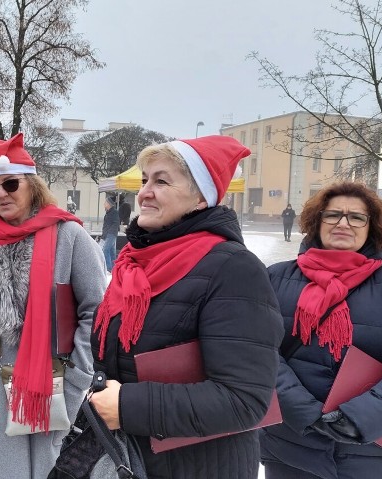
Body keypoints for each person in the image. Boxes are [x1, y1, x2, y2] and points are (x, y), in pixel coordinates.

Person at [89, 136, 283, 479]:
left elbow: (245, 400)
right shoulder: (135, 264)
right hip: (131, 460)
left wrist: (126, 405)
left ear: (199, 197)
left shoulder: (233, 268)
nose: (145, 191)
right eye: (145, 179)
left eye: (161, 181)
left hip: (199, 467)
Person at [261, 182, 382, 479]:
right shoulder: (276, 277)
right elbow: (258, 351)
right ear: (316, 222)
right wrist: (305, 413)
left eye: (357, 217)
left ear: (371, 227)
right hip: (293, 448)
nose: (343, 223)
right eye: (332, 215)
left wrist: (361, 418)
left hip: (375, 454)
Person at [0, 132, 106, 478]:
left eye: (10, 184)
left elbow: (96, 311)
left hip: (50, 391)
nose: (1, 194)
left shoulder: (70, 237)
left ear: (32, 184)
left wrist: (76, 379)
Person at [101, 194, 120, 272]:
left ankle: (109, 268)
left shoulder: (114, 212)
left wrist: (109, 232)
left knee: (105, 250)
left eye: (105, 202)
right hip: (109, 234)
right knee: (112, 252)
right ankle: (114, 268)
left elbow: (115, 223)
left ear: (109, 204)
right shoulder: (108, 213)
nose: (104, 204)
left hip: (111, 234)